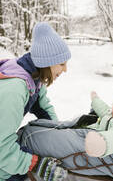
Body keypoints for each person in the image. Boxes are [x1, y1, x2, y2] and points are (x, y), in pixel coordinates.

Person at [18, 77, 113, 181]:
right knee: (45, 129)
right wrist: (96, 100)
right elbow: (104, 110)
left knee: (35, 137)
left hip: (95, 143)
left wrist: (102, 144)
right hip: (88, 133)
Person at [0, 22, 71, 180]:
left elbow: (44, 109)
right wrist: (36, 164)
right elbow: (1, 149)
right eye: (62, 64)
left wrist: (59, 137)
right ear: (47, 61)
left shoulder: (33, 78)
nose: (65, 70)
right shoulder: (15, 90)